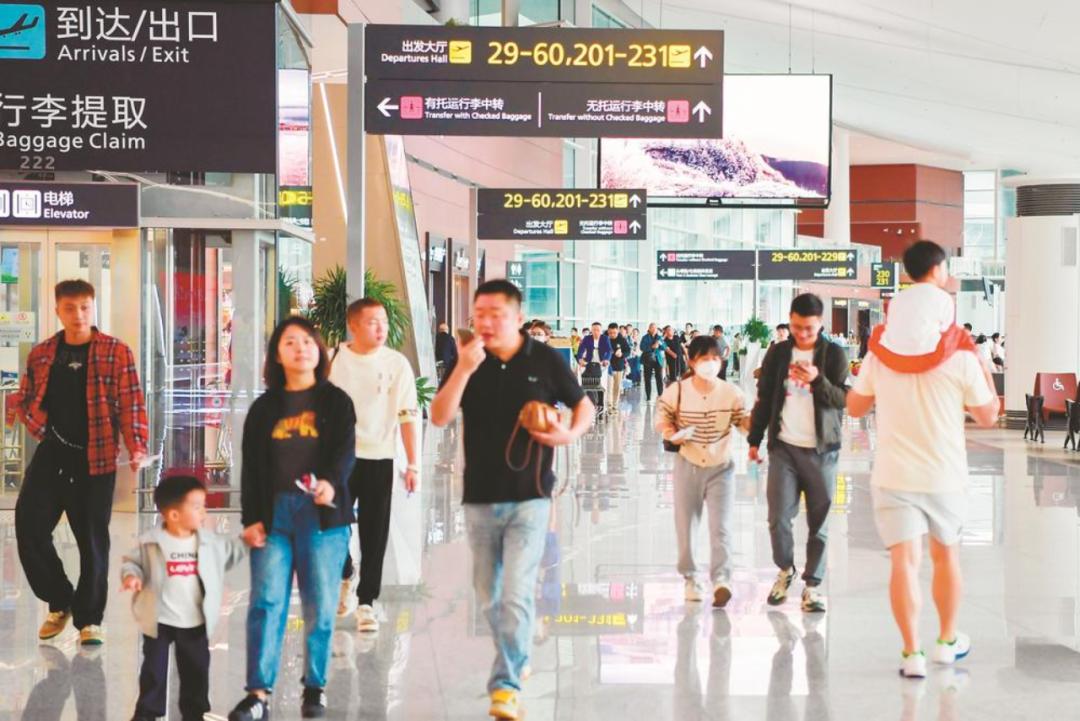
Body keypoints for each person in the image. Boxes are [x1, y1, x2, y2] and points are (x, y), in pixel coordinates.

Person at [430, 280, 594, 721]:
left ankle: (505, 686)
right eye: (479, 314)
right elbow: (439, 416)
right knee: (489, 595)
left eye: (496, 314)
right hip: (480, 495)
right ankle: (518, 653)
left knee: (517, 590)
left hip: (531, 495)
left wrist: (568, 434)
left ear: (518, 319)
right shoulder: (468, 359)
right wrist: (463, 369)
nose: (486, 322)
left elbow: (584, 406)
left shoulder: (545, 359)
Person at [847, 259, 999, 678]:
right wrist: (980, 365)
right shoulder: (960, 356)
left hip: (893, 473)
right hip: (944, 475)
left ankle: (911, 652)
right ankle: (946, 643)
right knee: (946, 556)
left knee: (904, 562)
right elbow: (988, 415)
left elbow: (855, 407)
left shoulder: (880, 355)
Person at [229, 317, 357, 721]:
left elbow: (345, 453)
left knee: (320, 603)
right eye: (290, 342)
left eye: (307, 341)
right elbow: (251, 469)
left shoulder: (336, 402)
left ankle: (315, 687)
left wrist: (331, 483)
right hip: (274, 515)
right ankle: (257, 693)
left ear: (319, 350)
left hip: (322, 517)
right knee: (266, 602)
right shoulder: (264, 408)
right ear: (277, 355)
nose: (300, 348)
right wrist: (251, 519)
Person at [13, 279, 148, 646]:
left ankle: (90, 620)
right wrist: (36, 424)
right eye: (70, 308)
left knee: (91, 541)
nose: (78, 315)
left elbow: (131, 403)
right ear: (58, 310)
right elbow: (25, 397)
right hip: (52, 455)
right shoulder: (42, 354)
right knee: (29, 526)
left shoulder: (115, 352)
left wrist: (136, 446)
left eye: (85, 307)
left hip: (97, 458)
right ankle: (60, 599)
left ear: (94, 307)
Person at [748, 294, 848, 613]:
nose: (802, 334)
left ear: (820, 324)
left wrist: (817, 380)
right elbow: (764, 398)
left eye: (808, 328)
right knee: (778, 517)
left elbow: (843, 399)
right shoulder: (778, 353)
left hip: (822, 450)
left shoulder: (834, 354)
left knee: (819, 523)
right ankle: (785, 569)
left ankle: (813, 587)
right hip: (784, 448)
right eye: (796, 327)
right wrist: (754, 439)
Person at [122, 476, 249, 721]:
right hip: (159, 618)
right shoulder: (151, 541)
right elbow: (133, 562)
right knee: (154, 669)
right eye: (197, 507)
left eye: (203, 506)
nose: (204, 512)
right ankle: (147, 711)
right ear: (173, 515)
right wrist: (132, 577)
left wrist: (246, 541)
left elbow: (228, 552)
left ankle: (194, 712)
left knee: (196, 669)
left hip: (194, 620)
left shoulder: (207, 542)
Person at [330, 298, 419, 632]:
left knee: (374, 532)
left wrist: (413, 464)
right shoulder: (333, 360)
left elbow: (407, 415)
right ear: (353, 325)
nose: (381, 328)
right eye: (372, 322)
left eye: (383, 321)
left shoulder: (397, 364)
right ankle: (345, 572)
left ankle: (366, 601)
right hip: (338, 459)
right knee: (332, 525)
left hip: (379, 457)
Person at [656, 336, 748, 608]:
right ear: (692, 361)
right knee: (686, 525)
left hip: (722, 468)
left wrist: (757, 420)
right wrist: (671, 433)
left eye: (715, 358)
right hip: (688, 464)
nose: (710, 363)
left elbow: (744, 425)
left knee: (721, 527)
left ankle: (721, 580)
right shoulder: (677, 391)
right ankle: (690, 578)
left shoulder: (732, 393)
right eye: (704, 358)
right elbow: (662, 418)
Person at [880, 240, 955, 356]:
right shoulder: (943, 298)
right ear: (935, 271)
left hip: (895, 358)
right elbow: (948, 336)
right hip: (928, 358)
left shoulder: (897, 299)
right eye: (945, 267)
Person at [606, 322, 632, 413]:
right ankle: (609, 406)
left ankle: (615, 405)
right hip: (607, 367)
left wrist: (622, 354)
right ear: (608, 331)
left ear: (617, 331)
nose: (612, 335)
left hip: (618, 366)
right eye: (610, 333)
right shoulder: (605, 339)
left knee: (616, 387)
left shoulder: (622, 340)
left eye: (614, 333)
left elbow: (628, 351)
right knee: (609, 387)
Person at [640, 323, 666, 401]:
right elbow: (642, 348)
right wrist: (652, 347)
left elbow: (664, 347)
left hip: (658, 360)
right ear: (649, 328)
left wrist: (660, 345)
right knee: (647, 378)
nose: (654, 329)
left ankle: (660, 395)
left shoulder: (659, 337)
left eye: (655, 328)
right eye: (652, 328)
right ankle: (648, 396)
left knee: (659, 378)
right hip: (647, 360)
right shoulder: (645, 337)